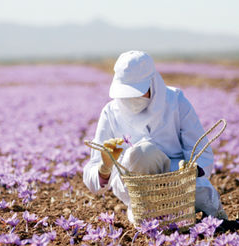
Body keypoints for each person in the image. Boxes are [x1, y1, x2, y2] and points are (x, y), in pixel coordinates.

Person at [83, 50, 228, 224]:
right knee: (141, 154)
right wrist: (104, 169)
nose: (131, 99)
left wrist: (191, 170)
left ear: (153, 83)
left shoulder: (175, 101)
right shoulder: (110, 112)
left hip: (178, 181)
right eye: (126, 93)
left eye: (138, 92)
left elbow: (200, 151)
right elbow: (92, 176)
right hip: (138, 188)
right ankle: (151, 213)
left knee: (202, 194)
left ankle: (212, 217)